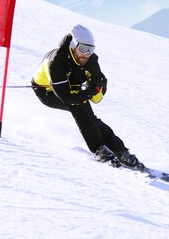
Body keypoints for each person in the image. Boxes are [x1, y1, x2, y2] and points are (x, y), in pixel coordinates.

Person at [31, 24, 139, 168]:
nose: (86, 54)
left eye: (90, 50)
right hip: (47, 91)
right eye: (83, 49)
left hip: (72, 89)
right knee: (79, 108)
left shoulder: (91, 60)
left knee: (89, 116)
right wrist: (88, 92)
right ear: (73, 45)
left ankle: (120, 151)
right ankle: (99, 149)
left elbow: (96, 99)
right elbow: (67, 98)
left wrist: (99, 87)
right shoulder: (56, 61)